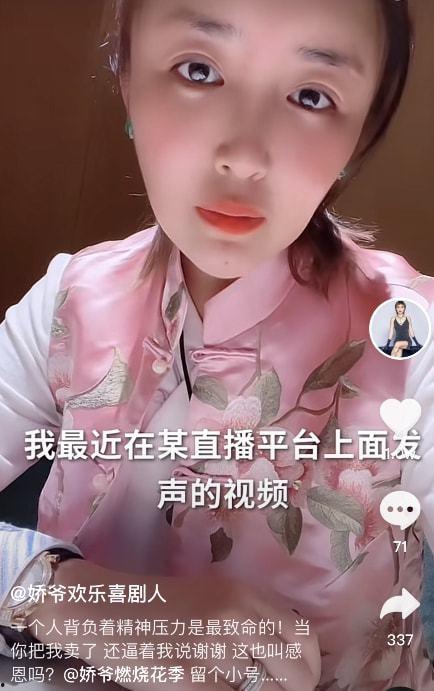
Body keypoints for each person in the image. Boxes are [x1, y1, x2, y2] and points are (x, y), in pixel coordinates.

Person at [1, 1, 434, 689]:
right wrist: (68, 596)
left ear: (361, 131)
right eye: (198, 70)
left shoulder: (409, 339)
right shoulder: (70, 300)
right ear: (127, 79)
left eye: (312, 96)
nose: (244, 155)